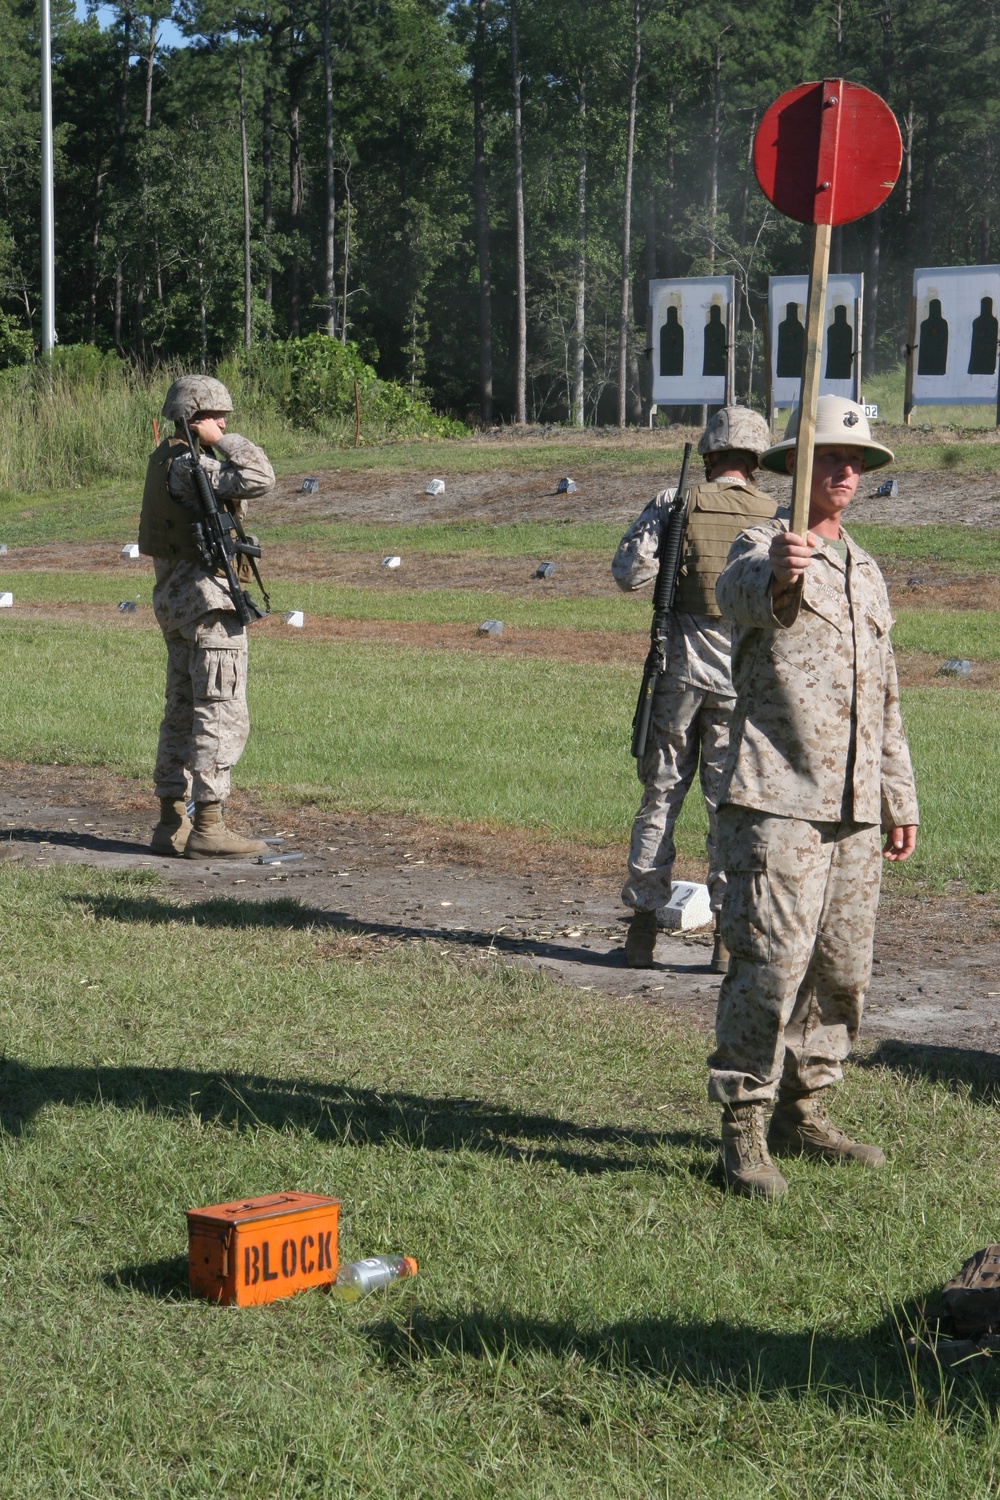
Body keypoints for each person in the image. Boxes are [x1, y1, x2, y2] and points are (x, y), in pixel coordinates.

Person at [709, 396, 919, 1198]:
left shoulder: (866, 570)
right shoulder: (764, 545)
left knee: (840, 974)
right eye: (829, 457)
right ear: (792, 468)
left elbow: (886, 696)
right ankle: (742, 1129)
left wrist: (898, 797)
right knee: (768, 966)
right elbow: (736, 595)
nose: (845, 471)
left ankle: (806, 1109)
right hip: (778, 799)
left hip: (855, 808)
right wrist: (777, 575)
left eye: (855, 461)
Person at [613, 406, 777, 970]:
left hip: (678, 669)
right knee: (726, 805)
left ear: (709, 454)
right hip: (741, 677)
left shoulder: (674, 503)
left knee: (661, 793)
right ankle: (725, 943)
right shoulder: (775, 518)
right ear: (755, 460)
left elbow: (628, 573)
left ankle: (641, 930)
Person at [139, 374, 275, 859]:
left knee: (180, 708)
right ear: (192, 417)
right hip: (207, 606)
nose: (221, 424)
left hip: (177, 606)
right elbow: (261, 477)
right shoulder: (189, 466)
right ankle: (209, 828)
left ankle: (169, 823)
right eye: (215, 416)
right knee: (220, 709)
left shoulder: (166, 460)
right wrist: (226, 442)